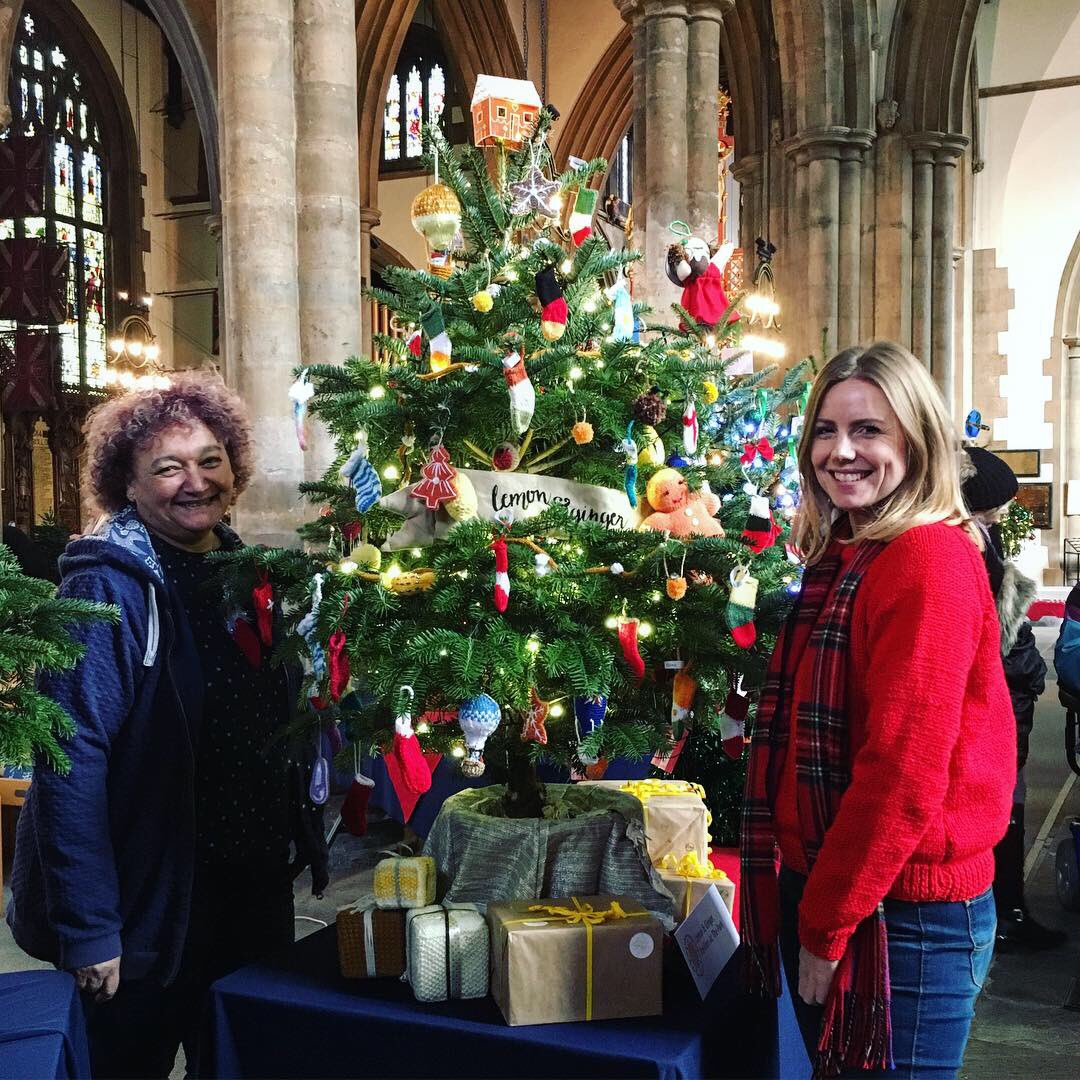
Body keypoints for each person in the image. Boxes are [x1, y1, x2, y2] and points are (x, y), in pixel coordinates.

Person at [7, 372, 328, 1078]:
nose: (196, 481)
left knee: (247, 1059)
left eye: (210, 460)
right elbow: (69, 760)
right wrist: (91, 930)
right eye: (168, 467)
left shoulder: (246, 573)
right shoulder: (106, 584)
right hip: (148, 902)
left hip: (250, 887)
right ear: (127, 483)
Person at [741, 342, 1016, 1078]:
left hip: (903, 918)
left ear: (915, 440)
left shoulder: (926, 560)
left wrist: (826, 925)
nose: (842, 451)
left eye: (868, 431)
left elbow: (901, 777)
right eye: (826, 431)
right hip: (852, 891)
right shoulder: (852, 552)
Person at [961, 447, 1064, 952]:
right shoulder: (964, 550)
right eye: (997, 504)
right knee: (999, 811)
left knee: (1011, 808)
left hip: (1010, 704)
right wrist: (1023, 673)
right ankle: (1002, 911)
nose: (1004, 512)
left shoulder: (985, 541)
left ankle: (1010, 905)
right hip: (994, 709)